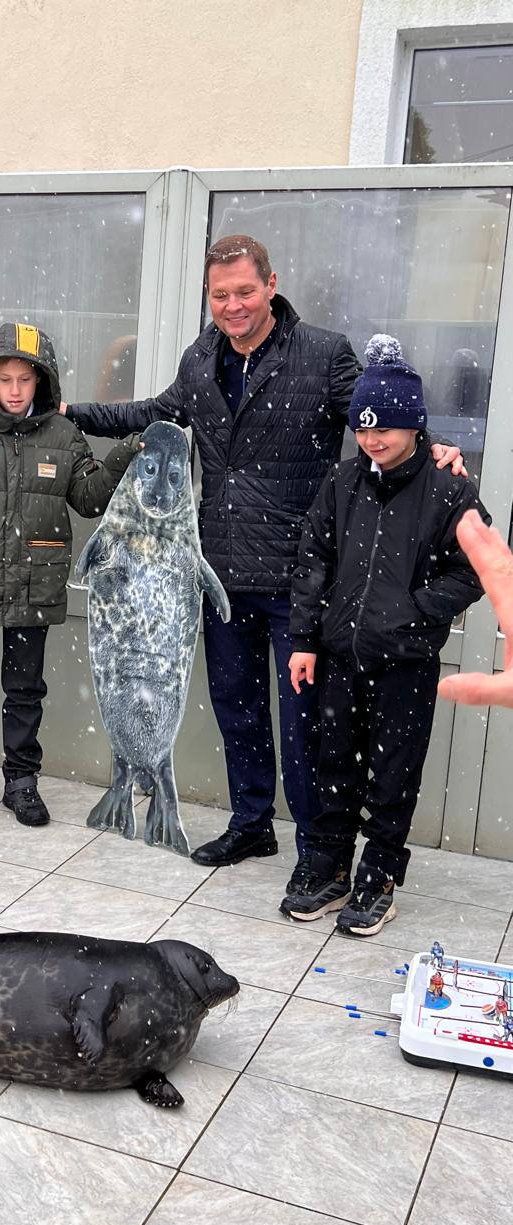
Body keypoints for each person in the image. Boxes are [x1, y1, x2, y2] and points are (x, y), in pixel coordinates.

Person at [62, 235, 464, 868]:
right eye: (220, 295)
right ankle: (253, 823)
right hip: (221, 574)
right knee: (237, 711)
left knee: (306, 728)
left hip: (298, 581)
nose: (233, 306)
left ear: (271, 285)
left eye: (245, 291)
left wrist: (431, 446)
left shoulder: (322, 354)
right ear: (209, 297)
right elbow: (152, 413)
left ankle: (315, 847)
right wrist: (64, 412)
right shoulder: (201, 360)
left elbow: (376, 415)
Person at [283, 335, 489, 936]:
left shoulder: (449, 490)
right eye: (363, 429)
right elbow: (313, 559)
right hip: (340, 657)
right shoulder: (344, 482)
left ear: (415, 427)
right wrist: (304, 638)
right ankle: (328, 870)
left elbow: (475, 566)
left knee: (392, 776)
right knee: (332, 766)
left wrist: (415, 609)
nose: (373, 440)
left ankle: (378, 880)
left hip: (405, 663)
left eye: (386, 430)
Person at [0, 322, 140, 830]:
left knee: (25, 691)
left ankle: (22, 782)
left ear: (41, 382)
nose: (16, 390)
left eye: (25, 379)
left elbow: (88, 498)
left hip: (32, 587)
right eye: (6, 380)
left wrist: (124, 455)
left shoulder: (64, 436)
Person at [439, 509, 513, 709]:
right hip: (344, 664)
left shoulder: (449, 486)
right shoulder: (346, 482)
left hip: (408, 660)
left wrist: (411, 612)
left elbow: (467, 575)